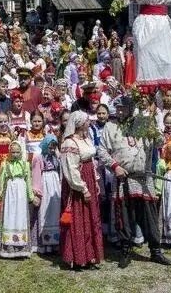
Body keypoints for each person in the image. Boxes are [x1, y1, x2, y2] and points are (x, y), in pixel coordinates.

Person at [96, 95, 169, 265]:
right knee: (124, 216)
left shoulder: (142, 123)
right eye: (118, 107)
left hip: (143, 177)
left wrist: (153, 130)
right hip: (123, 177)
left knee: (149, 214)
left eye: (123, 107)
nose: (120, 110)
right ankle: (126, 250)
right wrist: (115, 167)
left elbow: (159, 142)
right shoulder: (110, 126)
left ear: (131, 108)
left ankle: (155, 250)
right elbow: (102, 151)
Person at [60, 111, 103, 269]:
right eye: (86, 121)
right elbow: (70, 169)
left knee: (91, 218)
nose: (89, 123)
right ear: (79, 124)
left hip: (89, 177)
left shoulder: (86, 138)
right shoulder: (69, 143)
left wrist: (95, 181)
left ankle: (90, 255)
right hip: (77, 184)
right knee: (79, 219)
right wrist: (82, 188)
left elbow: (91, 160)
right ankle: (78, 257)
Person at [0, 140, 34, 258]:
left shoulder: (25, 164)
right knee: (10, 214)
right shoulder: (5, 164)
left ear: (21, 152)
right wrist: (0, 194)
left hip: (21, 191)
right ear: (9, 152)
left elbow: (28, 181)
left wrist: (31, 196)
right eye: (13, 152)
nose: (15, 154)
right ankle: (9, 246)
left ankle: (21, 246)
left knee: (20, 215)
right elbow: (1, 180)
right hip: (10, 192)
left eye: (17, 152)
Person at [30, 135, 62, 254]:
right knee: (44, 211)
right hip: (44, 183)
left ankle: (55, 243)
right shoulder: (38, 158)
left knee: (55, 210)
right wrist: (37, 191)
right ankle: (43, 244)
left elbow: (60, 171)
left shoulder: (56, 158)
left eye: (54, 147)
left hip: (55, 185)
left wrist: (58, 155)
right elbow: (36, 175)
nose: (52, 150)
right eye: (50, 147)